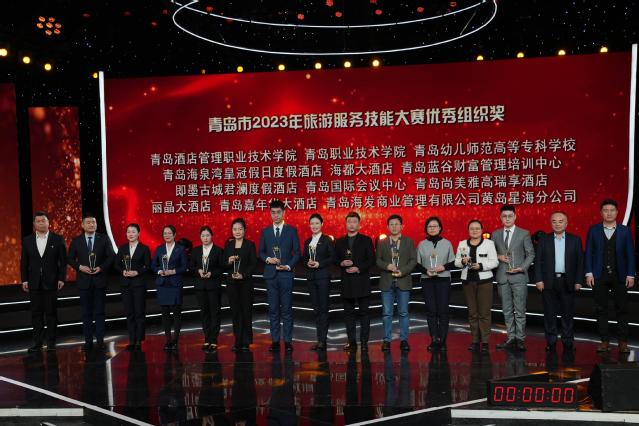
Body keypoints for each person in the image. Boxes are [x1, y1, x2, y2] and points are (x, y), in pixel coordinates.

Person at [585, 199, 636, 353]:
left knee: (622, 309)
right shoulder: (593, 230)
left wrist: (631, 274)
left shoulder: (625, 231)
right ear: (601, 213)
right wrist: (589, 273)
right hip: (599, 275)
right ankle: (604, 341)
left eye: (612, 210)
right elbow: (589, 252)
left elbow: (630, 254)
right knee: (601, 309)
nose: (609, 213)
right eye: (606, 210)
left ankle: (623, 342)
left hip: (620, 275)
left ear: (617, 212)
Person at [534, 212, 584, 353]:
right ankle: (551, 342)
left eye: (561, 221)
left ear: (566, 223)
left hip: (568, 281)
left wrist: (578, 281)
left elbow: (580, 262)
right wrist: (538, 279)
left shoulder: (575, 240)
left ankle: (568, 342)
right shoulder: (544, 240)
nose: (557, 224)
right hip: (548, 282)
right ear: (551, 223)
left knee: (567, 314)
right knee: (549, 314)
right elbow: (538, 261)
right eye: (554, 221)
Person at [67, 213, 115, 352]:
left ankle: (100, 340)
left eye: (93, 222)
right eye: (88, 222)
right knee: (86, 313)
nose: (91, 224)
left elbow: (111, 256)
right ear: (83, 225)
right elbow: (70, 259)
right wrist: (80, 267)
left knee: (100, 312)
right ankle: (88, 341)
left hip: (100, 280)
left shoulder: (104, 239)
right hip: (84, 281)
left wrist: (101, 268)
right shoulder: (76, 241)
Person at [21, 211, 67, 352]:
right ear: (34, 224)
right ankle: (38, 343)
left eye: (43, 220)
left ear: (48, 223)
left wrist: (61, 278)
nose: (41, 223)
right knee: (36, 314)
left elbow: (63, 261)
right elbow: (24, 262)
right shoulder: (27, 240)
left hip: (51, 282)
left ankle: (51, 343)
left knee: (51, 313)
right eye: (38, 221)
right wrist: (24, 279)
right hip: (34, 282)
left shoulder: (57, 239)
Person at [258, 200, 301, 353]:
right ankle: (275, 341)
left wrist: (288, 266)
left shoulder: (292, 230)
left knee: (287, 309)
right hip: (271, 275)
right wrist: (267, 259)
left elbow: (297, 253)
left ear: (284, 213)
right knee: (273, 310)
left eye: (278, 212)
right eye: (273, 213)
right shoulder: (266, 231)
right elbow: (261, 252)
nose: (276, 215)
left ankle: (288, 341)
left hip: (286, 275)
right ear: (270, 213)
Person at [492, 205, 535, 352]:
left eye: (510, 216)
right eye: (504, 216)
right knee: (507, 310)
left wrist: (522, 268)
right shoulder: (495, 234)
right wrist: (498, 256)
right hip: (502, 277)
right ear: (500, 217)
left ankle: (520, 338)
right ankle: (511, 338)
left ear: (515, 216)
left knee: (520, 310)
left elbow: (531, 254)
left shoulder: (524, 233)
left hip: (519, 276)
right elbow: (491, 253)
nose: (507, 219)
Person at [454, 220, 498, 353]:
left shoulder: (489, 243)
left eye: (477, 228)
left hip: (484, 281)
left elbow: (495, 262)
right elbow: (456, 262)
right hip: (467, 281)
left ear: (482, 230)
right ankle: (474, 341)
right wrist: (462, 261)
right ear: (468, 230)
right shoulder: (462, 244)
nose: (474, 231)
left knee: (484, 313)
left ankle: (485, 342)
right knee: (472, 313)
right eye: (472, 228)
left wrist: (481, 266)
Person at [334, 211, 375, 352]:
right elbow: (334, 259)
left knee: (364, 313)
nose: (351, 224)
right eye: (349, 222)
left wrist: (358, 268)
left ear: (359, 224)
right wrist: (341, 263)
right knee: (348, 314)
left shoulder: (366, 240)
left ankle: (364, 342)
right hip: (347, 282)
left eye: (354, 222)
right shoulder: (339, 241)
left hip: (362, 281)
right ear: (346, 224)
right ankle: (351, 341)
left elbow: (371, 260)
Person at [376, 214, 417, 352]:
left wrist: (403, 271)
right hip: (387, 281)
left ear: (402, 226)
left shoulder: (409, 241)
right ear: (387, 227)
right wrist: (387, 266)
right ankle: (387, 340)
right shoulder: (382, 242)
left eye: (397, 224)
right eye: (391, 224)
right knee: (387, 313)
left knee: (403, 313)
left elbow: (413, 260)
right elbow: (378, 260)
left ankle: (404, 340)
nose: (394, 227)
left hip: (403, 281)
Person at [416, 216, 456, 352]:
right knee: (431, 311)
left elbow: (453, 262)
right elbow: (417, 263)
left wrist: (443, 267)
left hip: (443, 280)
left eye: (435, 226)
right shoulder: (421, 244)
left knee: (443, 311)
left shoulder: (447, 243)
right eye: (429, 226)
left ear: (440, 228)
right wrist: (426, 271)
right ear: (426, 229)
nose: (432, 228)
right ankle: (434, 339)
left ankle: (442, 340)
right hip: (427, 280)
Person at [114, 223, 151, 350]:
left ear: (138, 233)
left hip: (138, 284)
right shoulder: (122, 248)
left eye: (133, 232)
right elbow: (116, 264)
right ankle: (132, 339)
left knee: (139, 312)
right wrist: (123, 271)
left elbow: (148, 266)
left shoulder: (144, 248)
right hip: (125, 284)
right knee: (129, 313)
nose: (131, 234)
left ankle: (139, 340)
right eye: (129, 232)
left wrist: (137, 272)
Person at [303, 213, 336, 351]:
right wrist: (307, 263)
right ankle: (319, 339)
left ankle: (323, 340)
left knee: (323, 309)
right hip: (311, 278)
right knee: (316, 310)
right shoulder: (307, 242)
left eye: (317, 223)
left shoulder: (327, 240)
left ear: (322, 224)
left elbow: (333, 257)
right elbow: (304, 259)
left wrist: (319, 264)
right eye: (312, 223)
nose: (314, 226)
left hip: (323, 278)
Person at [224, 218, 258, 352]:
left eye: (240, 229)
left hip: (245, 283)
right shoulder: (228, 245)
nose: (237, 231)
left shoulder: (250, 245)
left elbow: (253, 264)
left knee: (246, 311)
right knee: (235, 312)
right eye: (235, 229)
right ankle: (238, 340)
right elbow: (224, 264)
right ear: (232, 231)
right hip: (232, 283)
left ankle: (246, 341)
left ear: (245, 230)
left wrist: (243, 274)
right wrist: (228, 261)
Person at [152, 225, 188, 351]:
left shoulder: (180, 249)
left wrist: (173, 271)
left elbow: (184, 266)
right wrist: (159, 271)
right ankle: (168, 340)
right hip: (162, 284)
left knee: (176, 314)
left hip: (175, 284)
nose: (166, 235)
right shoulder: (159, 249)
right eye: (165, 233)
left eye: (169, 233)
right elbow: (153, 265)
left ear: (174, 235)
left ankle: (175, 340)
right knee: (165, 314)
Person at [190, 226, 224, 351]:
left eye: (207, 235)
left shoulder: (218, 251)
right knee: (204, 312)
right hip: (200, 286)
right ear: (200, 237)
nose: (205, 238)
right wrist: (198, 270)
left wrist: (212, 273)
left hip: (213, 286)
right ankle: (207, 338)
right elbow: (191, 267)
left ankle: (214, 339)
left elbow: (222, 267)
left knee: (215, 312)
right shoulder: (195, 251)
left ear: (212, 236)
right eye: (203, 236)